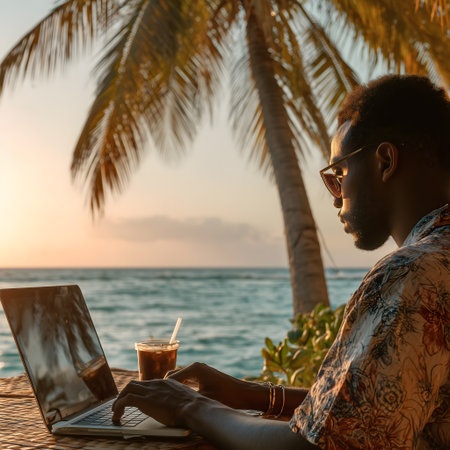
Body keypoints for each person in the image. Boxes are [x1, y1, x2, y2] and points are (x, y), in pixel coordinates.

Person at [112, 74, 450, 449]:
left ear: (385, 161)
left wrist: (191, 406)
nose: (336, 198)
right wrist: (256, 395)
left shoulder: (412, 274)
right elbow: (363, 413)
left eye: (338, 173)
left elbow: (316, 447)